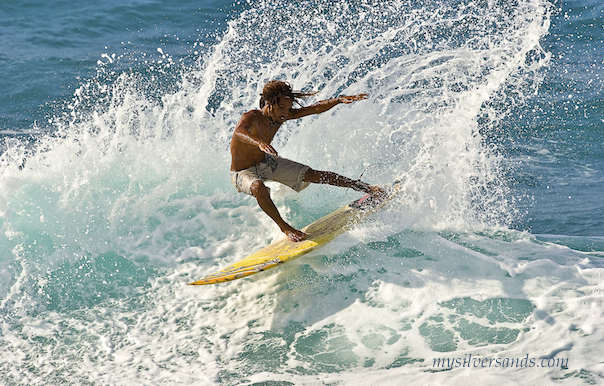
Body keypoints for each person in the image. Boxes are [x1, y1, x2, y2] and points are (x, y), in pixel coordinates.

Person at [230, 80, 384, 242]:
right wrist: (259, 143)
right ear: (269, 103)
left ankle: (367, 188)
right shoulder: (252, 116)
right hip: (242, 172)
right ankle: (286, 229)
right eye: (281, 107)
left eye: (288, 108)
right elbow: (240, 131)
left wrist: (338, 100)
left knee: (314, 174)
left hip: (266, 162)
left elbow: (314, 108)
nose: (285, 113)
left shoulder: (280, 116)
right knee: (258, 187)